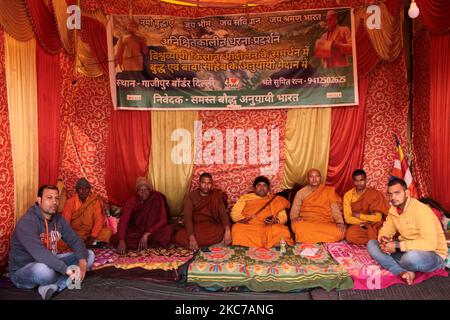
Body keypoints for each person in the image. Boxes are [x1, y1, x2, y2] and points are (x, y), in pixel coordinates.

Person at [8, 185, 94, 300]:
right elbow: (40, 253)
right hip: (24, 270)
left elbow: (75, 240)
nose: (54, 202)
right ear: (39, 200)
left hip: (52, 261)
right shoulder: (27, 222)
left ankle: (53, 286)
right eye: (49, 198)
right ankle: (62, 281)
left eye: (56, 198)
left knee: (89, 255)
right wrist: (66, 269)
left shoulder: (58, 219)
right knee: (43, 271)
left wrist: (82, 263)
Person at [367, 178, 447, 285]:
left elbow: (430, 243)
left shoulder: (421, 210)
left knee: (411, 257)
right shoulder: (393, 210)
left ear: (407, 193)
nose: (393, 197)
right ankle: (402, 271)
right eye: (390, 194)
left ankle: (401, 266)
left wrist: (397, 245)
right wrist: (384, 239)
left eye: (397, 193)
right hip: (405, 250)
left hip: (431, 254)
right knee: (372, 244)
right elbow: (387, 229)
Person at [230, 176, 294, 248]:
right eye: (259, 185)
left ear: (268, 188)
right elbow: (234, 212)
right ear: (254, 188)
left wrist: (275, 220)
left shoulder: (276, 199)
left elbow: (283, 216)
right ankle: (272, 243)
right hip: (250, 225)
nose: (262, 187)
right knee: (237, 228)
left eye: (264, 185)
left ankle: (251, 243)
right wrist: (244, 219)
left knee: (282, 229)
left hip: (269, 226)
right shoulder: (245, 197)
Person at [114, 177, 173, 254]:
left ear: (150, 190)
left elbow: (163, 220)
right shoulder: (132, 201)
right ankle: (152, 245)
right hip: (138, 231)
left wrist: (147, 233)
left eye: (146, 189)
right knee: (117, 239)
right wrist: (121, 240)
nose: (143, 192)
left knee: (168, 230)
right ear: (137, 192)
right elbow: (123, 221)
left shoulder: (157, 198)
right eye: (140, 190)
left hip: (154, 231)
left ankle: (148, 244)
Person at [174, 173, 231, 249]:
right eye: (203, 183)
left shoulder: (216, 195)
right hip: (196, 226)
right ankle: (200, 242)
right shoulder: (190, 196)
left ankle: (197, 244)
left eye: (209, 183)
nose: (206, 186)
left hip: (211, 226)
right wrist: (191, 237)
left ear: (212, 184)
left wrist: (227, 231)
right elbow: (188, 217)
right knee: (180, 236)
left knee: (223, 230)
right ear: (199, 183)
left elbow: (223, 213)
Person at [290, 168, 345, 243]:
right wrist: (295, 218)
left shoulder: (328, 191)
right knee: (298, 227)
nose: (314, 179)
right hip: (307, 222)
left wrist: (340, 222)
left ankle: (309, 239)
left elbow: (335, 209)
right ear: (307, 179)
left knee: (339, 232)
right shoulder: (301, 193)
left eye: (317, 176)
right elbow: (294, 210)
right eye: (311, 177)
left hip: (326, 223)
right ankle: (324, 239)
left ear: (320, 178)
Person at [343, 169, 389, 244]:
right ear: (353, 181)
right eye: (356, 181)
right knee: (350, 235)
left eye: (361, 180)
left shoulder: (374, 194)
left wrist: (359, 215)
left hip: (375, 225)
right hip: (359, 225)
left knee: (388, 230)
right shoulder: (348, 195)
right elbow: (348, 219)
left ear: (366, 180)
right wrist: (367, 220)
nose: (359, 183)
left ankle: (377, 239)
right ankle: (378, 240)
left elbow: (378, 218)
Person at [62, 178, 112, 247]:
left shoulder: (94, 202)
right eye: (80, 189)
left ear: (89, 190)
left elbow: (99, 220)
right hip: (75, 233)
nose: (83, 191)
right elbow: (65, 222)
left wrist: (93, 237)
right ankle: (92, 244)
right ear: (77, 191)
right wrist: (71, 236)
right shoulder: (70, 202)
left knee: (107, 233)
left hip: (90, 233)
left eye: (86, 189)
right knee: (60, 241)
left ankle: (89, 243)